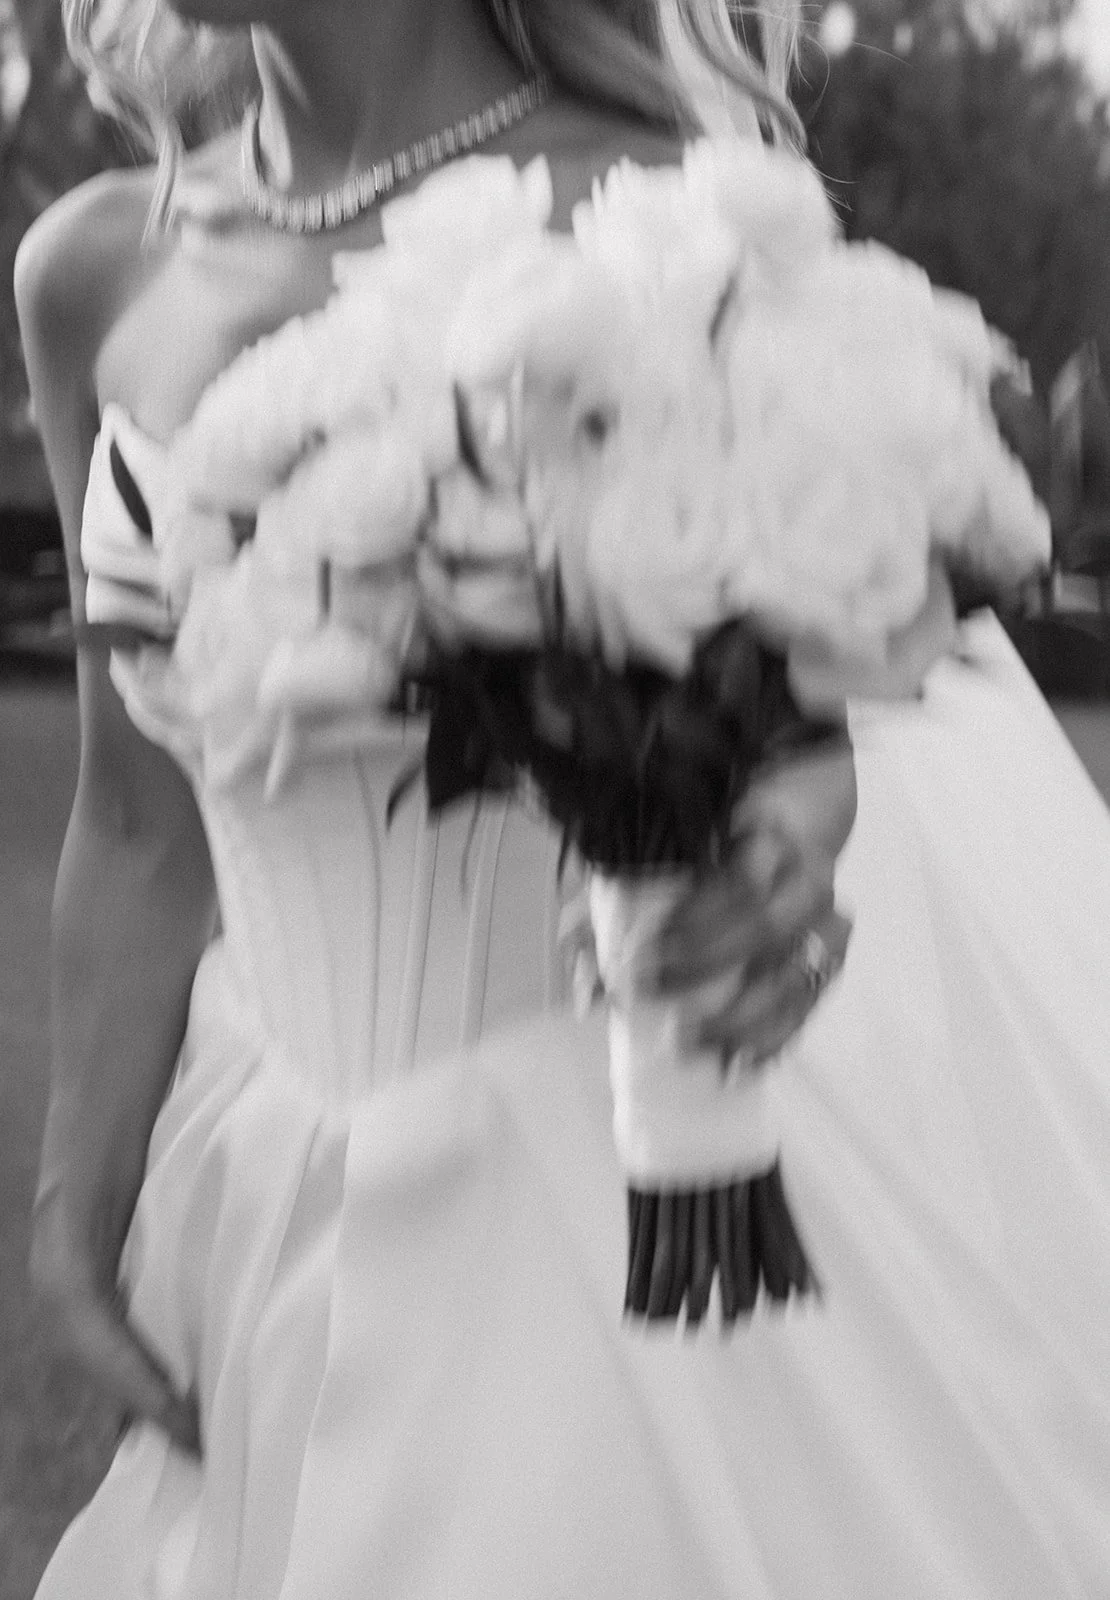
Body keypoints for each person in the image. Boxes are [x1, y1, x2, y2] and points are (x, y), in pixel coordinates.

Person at [14, 1, 1110, 1595]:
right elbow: (133, 813)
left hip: (587, 1193)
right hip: (260, 1185)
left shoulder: (660, 222)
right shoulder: (94, 265)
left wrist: (788, 850)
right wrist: (75, 1196)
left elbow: (802, 720)